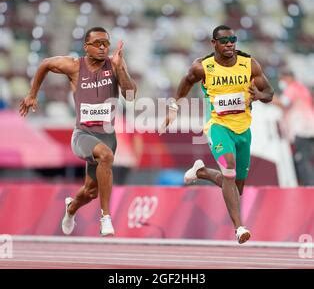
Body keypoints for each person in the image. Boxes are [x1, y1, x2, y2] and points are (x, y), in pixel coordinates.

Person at [160, 25, 274, 244]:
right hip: (217, 126)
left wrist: (259, 94)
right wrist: (174, 108)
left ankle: (202, 172)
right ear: (214, 43)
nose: (230, 43)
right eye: (224, 40)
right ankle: (239, 227)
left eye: (233, 39)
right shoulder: (203, 67)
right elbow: (186, 82)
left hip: (243, 130)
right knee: (229, 167)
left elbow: (269, 92)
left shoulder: (249, 64)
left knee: (236, 186)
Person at [19, 26, 137, 236]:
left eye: (106, 44)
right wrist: (32, 94)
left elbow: (129, 95)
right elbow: (45, 64)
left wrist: (120, 69)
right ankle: (106, 217)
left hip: (107, 136)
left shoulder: (114, 64)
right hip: (83, 134)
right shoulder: (74, 66)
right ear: (86, 47)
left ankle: (71, 208)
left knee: (90, 192)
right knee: (106, 156)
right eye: (97, 43)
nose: (102, 48)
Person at [272, 69, 314, 186]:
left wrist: (268, 98)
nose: (281, 82)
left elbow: (284, 103)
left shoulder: (291, 89)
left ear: (287, 78)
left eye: (282, 79)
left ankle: (309, 186)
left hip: (301, 129)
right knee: (306, 158)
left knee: (302, 159)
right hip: (310, 128)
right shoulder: (303, 88)